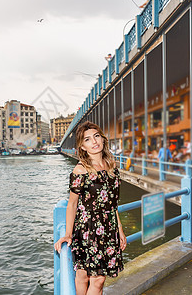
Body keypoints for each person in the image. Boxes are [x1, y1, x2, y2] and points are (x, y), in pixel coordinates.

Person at [54, 121, 126, 295]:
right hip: (88, 230)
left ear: (102, 139)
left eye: (96, 136)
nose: (94, 142)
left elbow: (112, 203)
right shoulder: (80, 170)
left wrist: (120, 230)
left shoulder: (112, 167)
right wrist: (68, 234)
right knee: (96, 279)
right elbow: (72, 204)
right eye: (87, 139)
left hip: (108, 229)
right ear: (83, 146)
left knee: (90, 278)